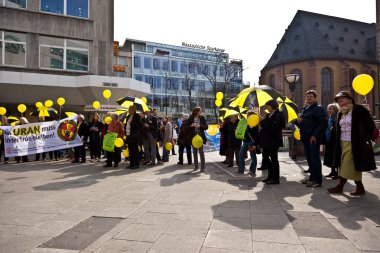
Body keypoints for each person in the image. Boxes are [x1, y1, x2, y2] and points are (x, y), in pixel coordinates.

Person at [328, 91, 377, 195]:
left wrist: (371, 137)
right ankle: (360, 187)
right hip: (342, 141)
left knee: (347, 164)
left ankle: (340, 186)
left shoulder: (359, 109)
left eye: (342, 99)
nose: (340, 101)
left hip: (355, 142)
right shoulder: (340, 113)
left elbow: (370, 124)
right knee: (351, 165)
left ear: (349, 99)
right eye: (338, 100)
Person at [295, 90, 328, 188]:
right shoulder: (305, 109)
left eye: (311, 96)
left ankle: (317, 180)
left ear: (315, 98)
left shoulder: (319, 108)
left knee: (315, 158)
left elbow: (323, 123)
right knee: (309, 158)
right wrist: (297, 121)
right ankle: (312, 177)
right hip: (305, 137)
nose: (309, 98)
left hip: (313, 138)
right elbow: (301, 125)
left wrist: (315, 135)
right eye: (307, 96)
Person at [259, 100, 285, 185]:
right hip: (267, 141)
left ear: (272, 105)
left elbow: (273, 128)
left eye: (268, 106)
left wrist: (263, 121)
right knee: (266, 158)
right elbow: (265, 126)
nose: (267, 108)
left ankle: (275, 178)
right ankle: (270, 176)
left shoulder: (279, 115)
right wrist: (261, 121)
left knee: (274, 159)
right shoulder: (268, 115)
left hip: (274, 141)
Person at [185, 107, 208, 172]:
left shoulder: (202, 118)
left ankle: (203, 167)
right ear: (196, 111)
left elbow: (206, 127)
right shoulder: (191, 118)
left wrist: (200, 126)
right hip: (193, 138)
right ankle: (196, 167)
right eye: (200, 111)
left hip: (200, 137)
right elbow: (186, 127)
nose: (201, 112)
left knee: (201, 152)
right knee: (195, 152)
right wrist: (191, 126)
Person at [238, 111, 260, 175]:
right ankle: (241, 170)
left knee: (252, 156)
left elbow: (255, 134)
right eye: (247, 115)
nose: (247, 116)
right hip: (246, 141)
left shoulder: (255, 123)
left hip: (251, 142)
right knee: (241, 154)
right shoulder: (246, 122)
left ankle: (252, 170)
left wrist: (254, 144)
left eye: (248, 115)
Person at [323, 103, 339, 179]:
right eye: (328, 109)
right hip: (329, 139)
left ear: (335, 109)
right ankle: (332, 171)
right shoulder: (330, 117)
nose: (328, 110)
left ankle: (337, 173)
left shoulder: (337, 117)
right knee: (330, 156)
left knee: (335, 157)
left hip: (334, 140)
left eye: (330, 109)